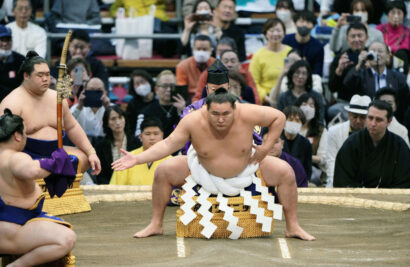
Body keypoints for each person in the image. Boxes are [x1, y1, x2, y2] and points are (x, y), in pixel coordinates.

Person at [113, 89, 315, 241]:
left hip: (248, 165)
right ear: (205, 110)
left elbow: (278, 117)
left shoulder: (247, 113)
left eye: (225, 114)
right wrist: (137, 158)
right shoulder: (193, 121)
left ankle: (293, 226)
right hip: (201, 167)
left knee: (286, 172)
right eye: (215, 114)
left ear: (235, 109)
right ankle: (156, 224)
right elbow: (168, 144)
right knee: (164, 170)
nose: (220, 119)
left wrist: (266, 147)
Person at [0, 51, 101, 175]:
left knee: (84, 159)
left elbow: (72, 126)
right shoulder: (13, 102)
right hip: (27, 155)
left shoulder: (57, 98)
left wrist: (91, 152)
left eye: (47, 74)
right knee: (25, 166)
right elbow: (4, 143)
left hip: (56, 151)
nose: (45, 79)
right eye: (40, 75)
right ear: (26, 76)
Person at [0, 109, 76, 266]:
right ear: (17, 135)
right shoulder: (14, 157)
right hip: (12, 230)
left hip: (9, 227)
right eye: (26, 133)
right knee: (66, 238)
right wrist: (56, 163)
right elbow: (31, 170)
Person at [334, 100, 410, 188]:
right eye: (370, 118)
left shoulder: (399, 146)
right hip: (357, 198)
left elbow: (405, 181)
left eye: (379, 120)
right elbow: (342, 179)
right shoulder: (352, 143)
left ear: (389, 122)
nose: (373, 124)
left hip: (389, 198)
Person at [343, 41, 409, 122]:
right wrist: (359, 64)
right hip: (366, 119)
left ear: (388, 56)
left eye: (380, 51)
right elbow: (347, 85)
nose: (376, 54)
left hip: (392, 119)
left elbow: (404, 103)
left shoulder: (399, 77)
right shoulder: (361, 74)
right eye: (373, 51)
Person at [326, 94, 371, 187]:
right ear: (348, 115)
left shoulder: (375, 134)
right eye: (355, 116)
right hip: (339, 182)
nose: (358, 121)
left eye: (362, 117)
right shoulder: (334, 131)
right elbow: (331, 162)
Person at [110, 117, 171, 185]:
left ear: (162, 136)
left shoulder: (171, 161)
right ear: (141, 137)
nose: (152, 138)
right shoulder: (128, 159)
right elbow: (115, 187)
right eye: (148, 134)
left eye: (156, 134)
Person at [328, 22, 368, 120]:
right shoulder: (340, 58)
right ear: (347, 39)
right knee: (332, 111)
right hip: (345, 104)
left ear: (366, 37)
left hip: (369, 103)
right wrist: (339, 71)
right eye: (353, 36)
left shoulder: (372, 55)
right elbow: (332, 88)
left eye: (360, 36)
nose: (356, 39)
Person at [192, 49, 261, 104]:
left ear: (239, 64)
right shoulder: (208, 89)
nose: (229, 64)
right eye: (226, 61)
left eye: (233, 61)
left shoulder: (247, 90)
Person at [249, 18, 292, 104]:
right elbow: (253, 82)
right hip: (267, 98)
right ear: (265, 33)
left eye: (279, 30)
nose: (275, 34)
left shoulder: (290, 52)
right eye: (271, 31)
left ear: (284, 33)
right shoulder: (258, 55)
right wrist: (265, 97)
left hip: (288, 96)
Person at [136, 70, 186, 138]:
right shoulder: (146, 112)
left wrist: (183, 112)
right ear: (156, 89)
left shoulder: (187, 108)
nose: (168, 89)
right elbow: (138, 138)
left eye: (172, 86)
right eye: (165, 86)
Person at [96, 105, 139, 184]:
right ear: (107, 123)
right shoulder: (101, 146)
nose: (118, 122)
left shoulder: (136, 142)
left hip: (132, 185)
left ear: (125, 119)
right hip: (109, 187)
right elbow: (100, 174)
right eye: (113, 119)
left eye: (120, 117)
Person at [295, 94, 327, 185]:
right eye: (304, 104)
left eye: (311, 105)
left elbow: (323, 158)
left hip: (312, 171)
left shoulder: (321, 131)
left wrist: (305, 157)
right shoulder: (290, 127)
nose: (307, 108)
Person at [70, 77, 112, 147]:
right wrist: (79, 106)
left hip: (105, 147)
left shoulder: (111, 107)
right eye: (91, 90)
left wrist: (107, 108)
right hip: (81, 146)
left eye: (99, 90)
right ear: (84, 91)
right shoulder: (76, 108)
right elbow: (66, 124)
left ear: (105, 92)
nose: (95, 93)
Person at [282, 11, 324, 76]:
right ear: (295, 24)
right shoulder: (285, 40)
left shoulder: (318, 46)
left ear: (313, 26)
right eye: (301, 22)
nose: (304, 25)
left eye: (308, 22)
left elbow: (317, 73)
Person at [176, 34, 216, 100]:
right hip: (190, 101)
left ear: (211, 50)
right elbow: (182, 93)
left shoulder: (217, 65)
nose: (201, 52)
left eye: (205, 49)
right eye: (198, 49)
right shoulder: (182, 66)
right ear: (193, 49)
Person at [281, 105, 312, 181]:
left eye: (297, 120)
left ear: (301, 124)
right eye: (290, 119)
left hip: (298, 181)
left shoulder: (306, 143)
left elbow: (307, 169)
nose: (294, 122)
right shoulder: (276, 139)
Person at [125, 70, 156, 137]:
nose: (141, 86)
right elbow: (129, 127)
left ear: (149, 81)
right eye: (137, 84)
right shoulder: (132, 104)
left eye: (142, 82)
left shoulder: (159, 99)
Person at [0, 25, 24, 102]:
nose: (5, 44)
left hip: (15, 102)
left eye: (8, 40)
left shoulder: (20, 60)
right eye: (2, 40)